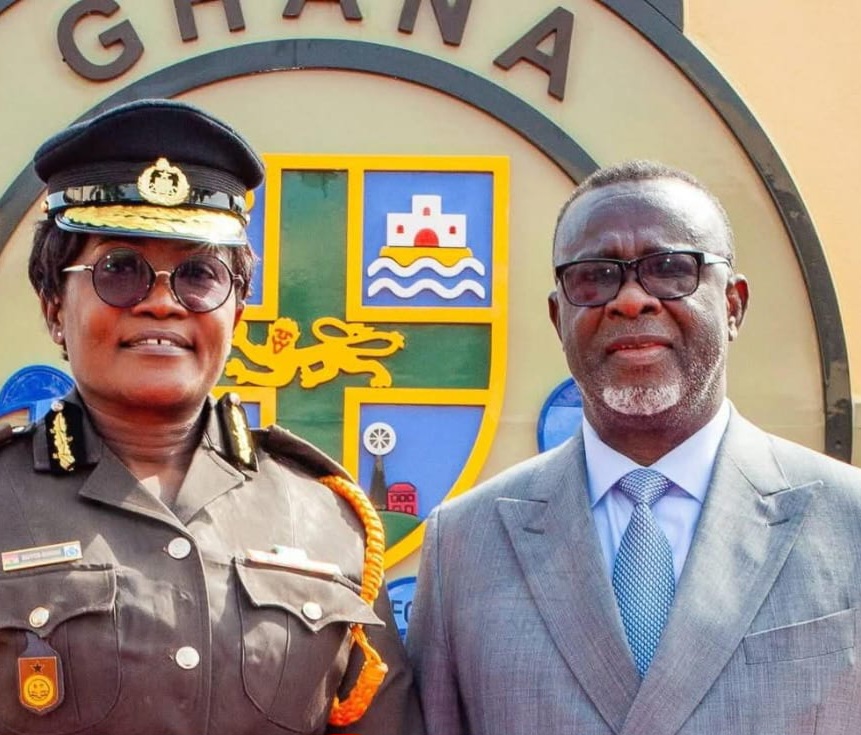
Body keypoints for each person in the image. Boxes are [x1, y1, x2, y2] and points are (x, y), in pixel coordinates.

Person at [0, 98, 424, 735]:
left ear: (237, 312)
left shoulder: (327, 520)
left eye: (198, 274)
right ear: (54, 306)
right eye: (120, 271)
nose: (163, 303)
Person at [406, 159, 861, 734]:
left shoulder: (850, 521)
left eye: (670, 269)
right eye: (594, 276)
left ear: (733, 305)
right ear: (559, 317)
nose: (630, 300)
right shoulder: (464, 544)